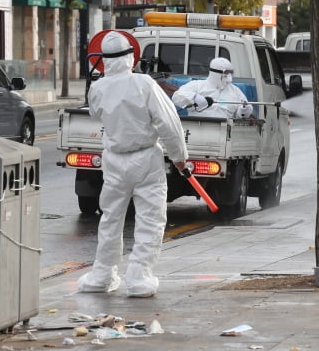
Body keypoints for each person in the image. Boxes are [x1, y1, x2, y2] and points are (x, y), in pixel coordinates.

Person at [77, 31, 188, 298]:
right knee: (150, 218)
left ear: (103, 59)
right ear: (131, 57)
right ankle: (139, 277)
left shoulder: (98, 88)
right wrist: (179, 156)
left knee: (111, 218)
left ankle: (102, 273)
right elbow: (168, 123)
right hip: (146, 158)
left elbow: (95, 113)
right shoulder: (144, 84)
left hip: (114, 159)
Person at [172, 57, 253, 119]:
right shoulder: (197, 86)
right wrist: (194, 98)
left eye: (230, 73)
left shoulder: (235, 91)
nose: (229, 77)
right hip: (198, 128)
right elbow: (176, 97)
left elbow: (240, 115)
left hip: (224, 131)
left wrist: (243, 111)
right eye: (226, 74)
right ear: (215, 73)